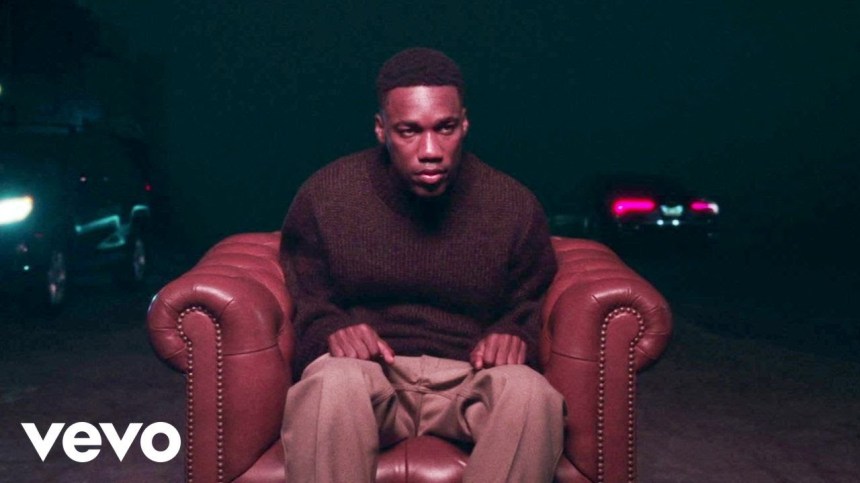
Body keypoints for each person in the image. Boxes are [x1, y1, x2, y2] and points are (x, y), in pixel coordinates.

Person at [279, 47, 564, 483]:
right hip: (367, 375)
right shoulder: (327, 195)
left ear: (464, 124)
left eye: (444, 128)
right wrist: (332, 327)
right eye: (409, 131)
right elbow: (307, 296)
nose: (430, 151)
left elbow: (529, 301)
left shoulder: (513, 205)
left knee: (532, 395)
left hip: (469, 379)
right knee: (330, 384)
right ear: (381, 130)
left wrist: (514, 332)